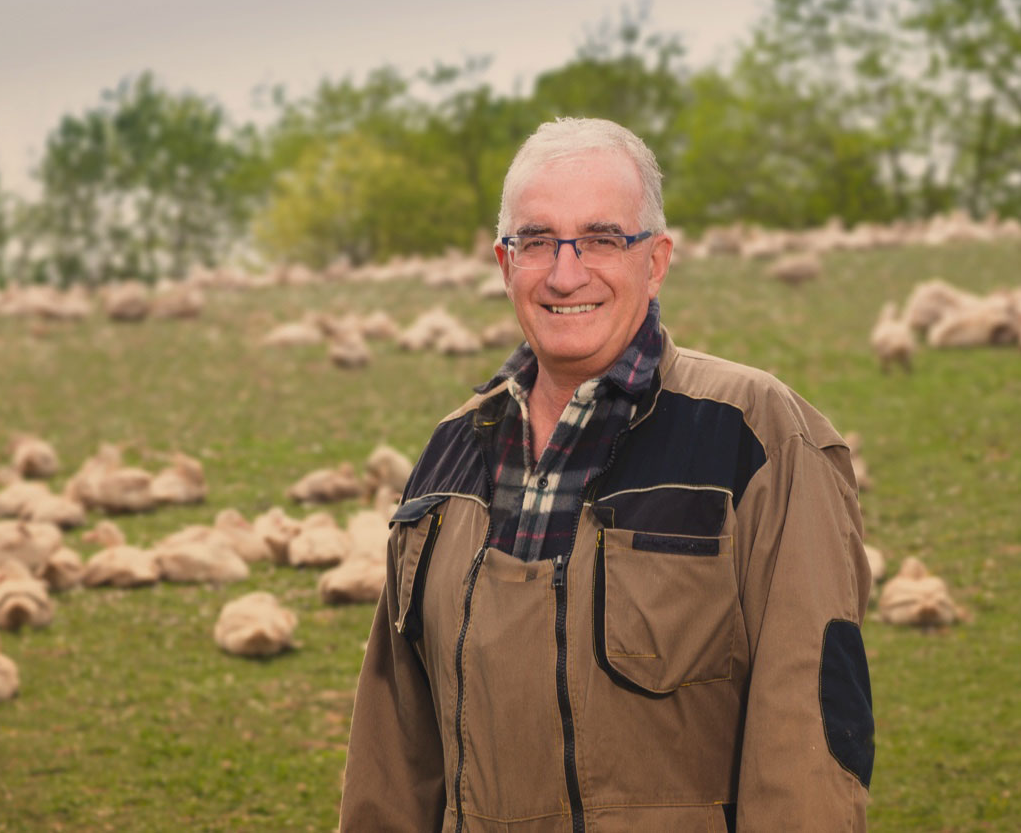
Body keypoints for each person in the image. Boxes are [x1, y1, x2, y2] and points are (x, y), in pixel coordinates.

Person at [340, 118, 874, 832]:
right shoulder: (447, 457)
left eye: (600, 239)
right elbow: (392, 753)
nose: (566, 273)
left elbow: (808, 739)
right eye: (536, 241)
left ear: (655, 261)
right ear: (505, 264)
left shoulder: (756, 435)